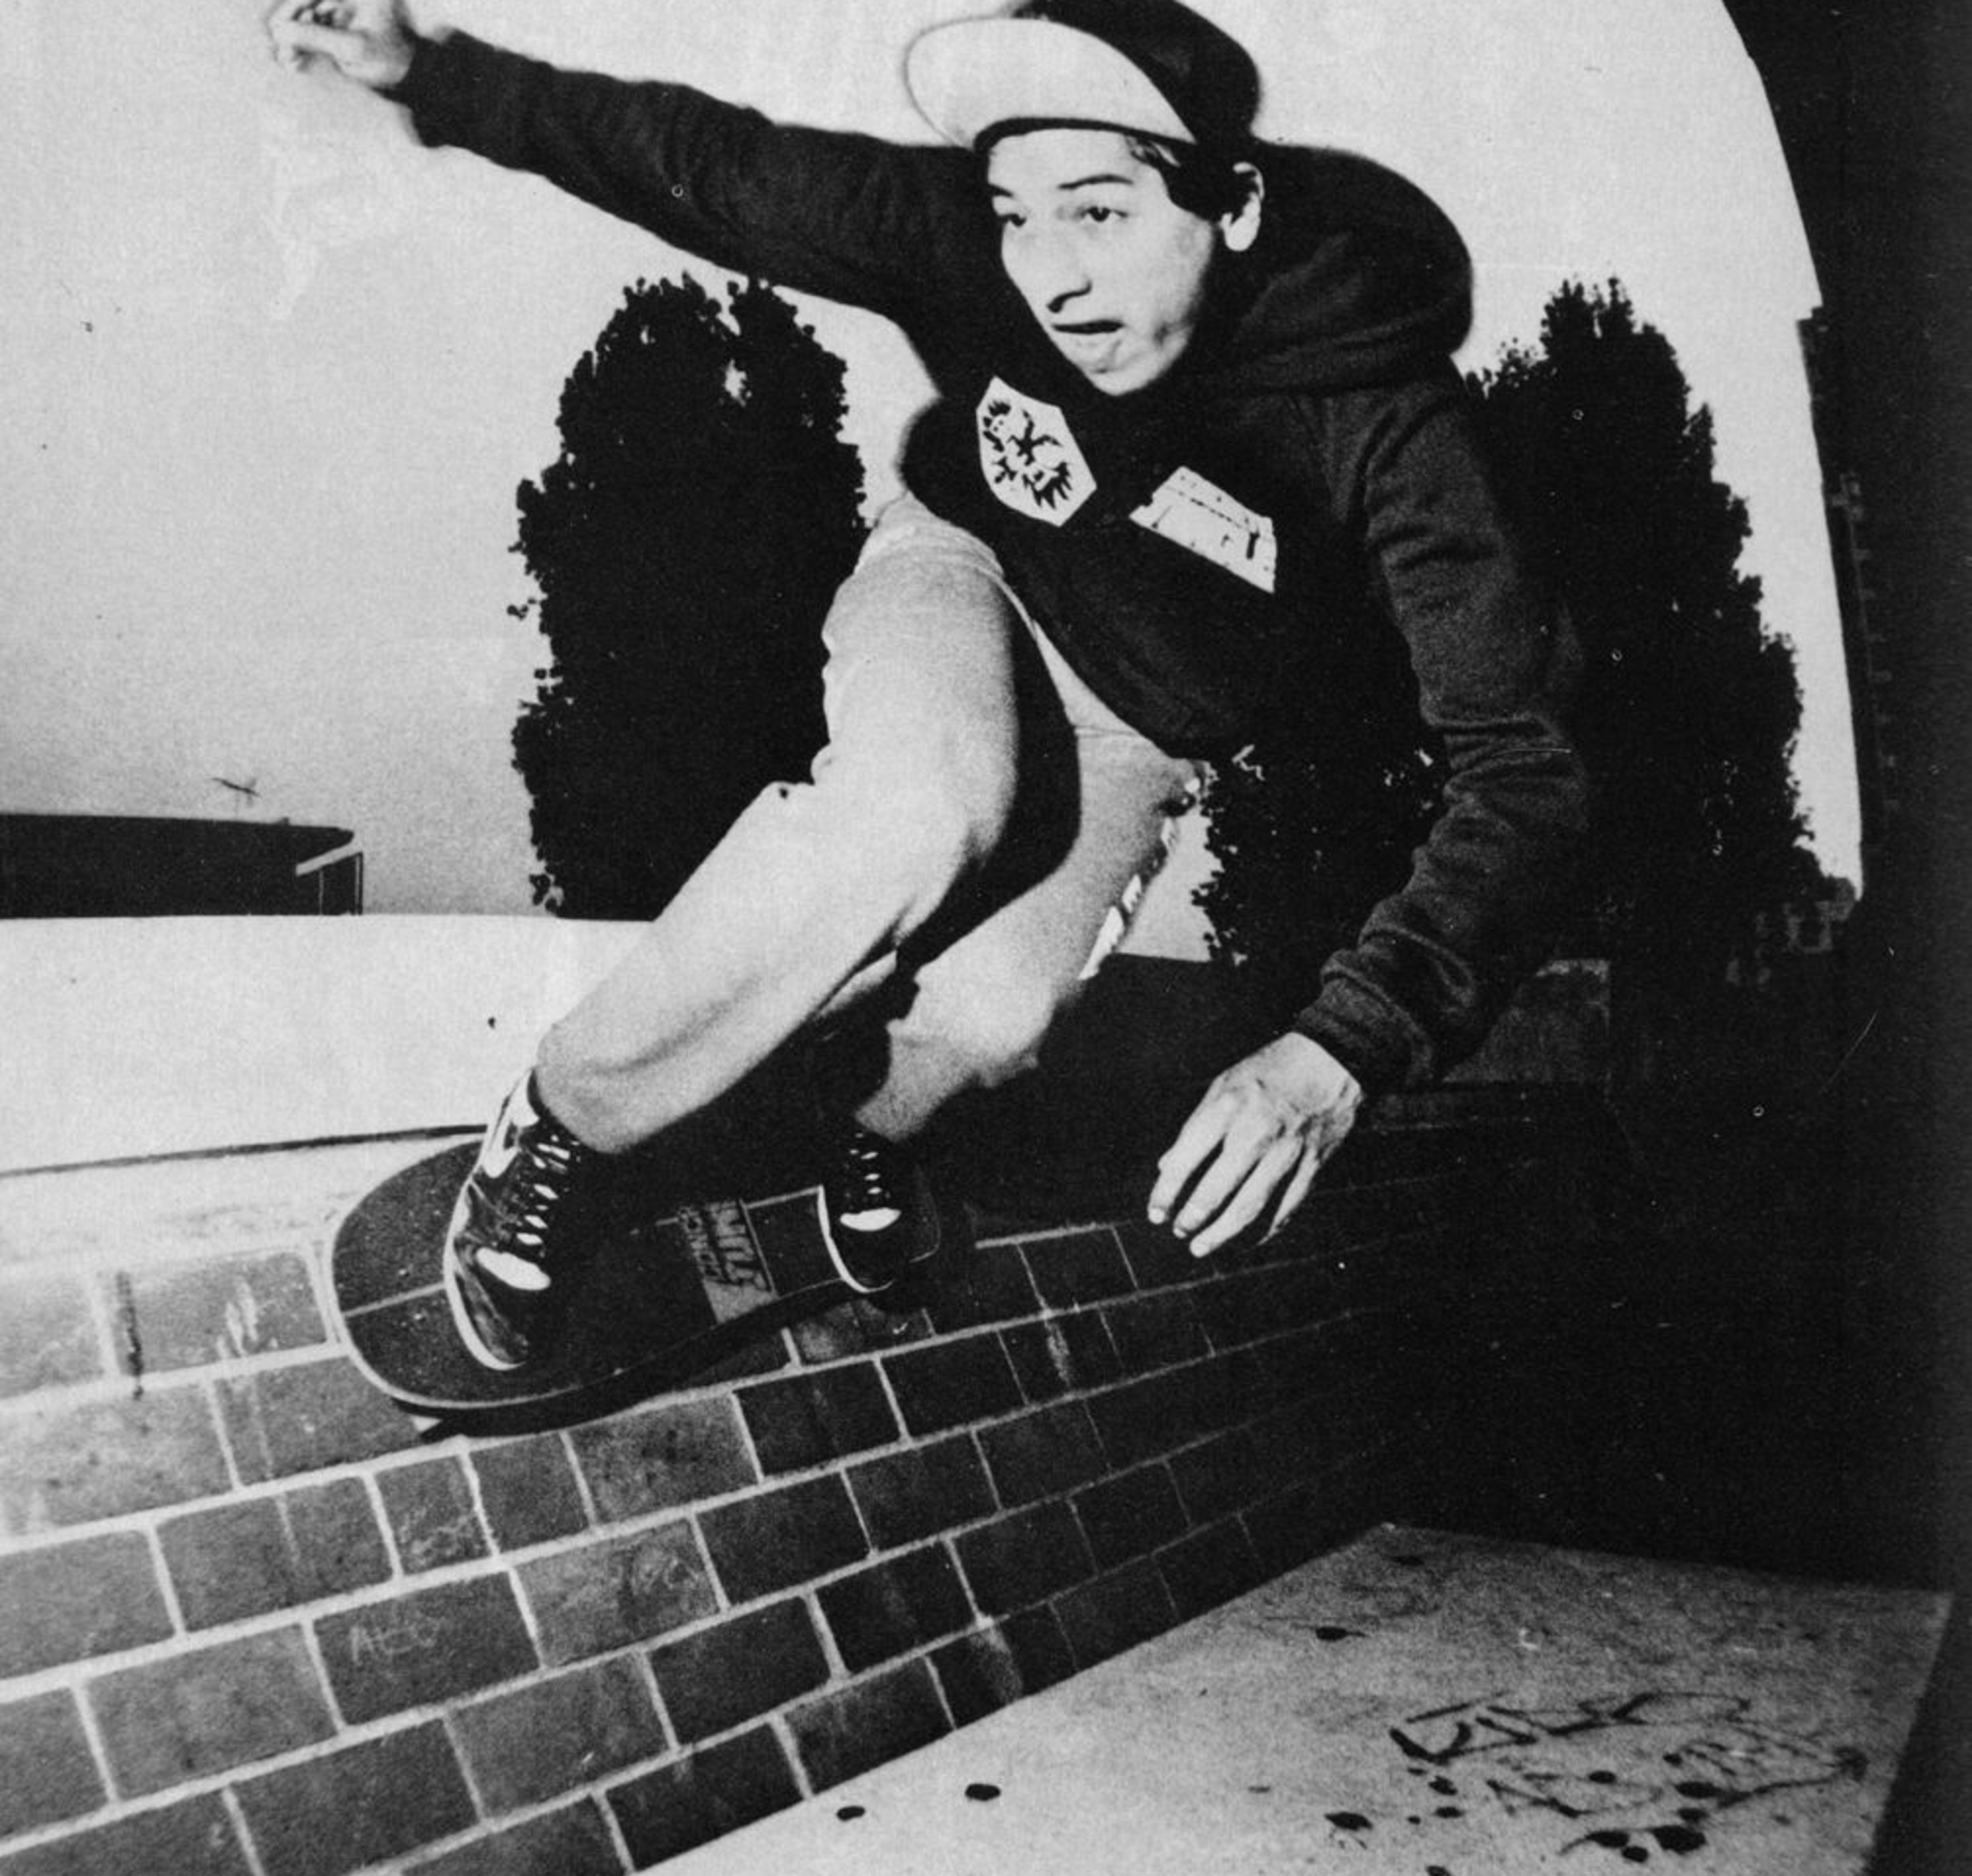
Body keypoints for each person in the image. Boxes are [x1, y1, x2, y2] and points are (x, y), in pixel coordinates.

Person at [266, 0, 1589, 1372]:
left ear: (1235, 206)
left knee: (996, 1017)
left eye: (1101, 213)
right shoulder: (956, 241)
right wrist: (433, 75)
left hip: (1143, 720)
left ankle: (867, 1132)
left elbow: (1527, 768)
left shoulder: (1395, 423)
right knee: (924, 809)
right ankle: (562, 1126)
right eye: (1020, 218)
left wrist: (1348, 1048)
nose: (1055, 279)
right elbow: (706, 166)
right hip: (969, 569)